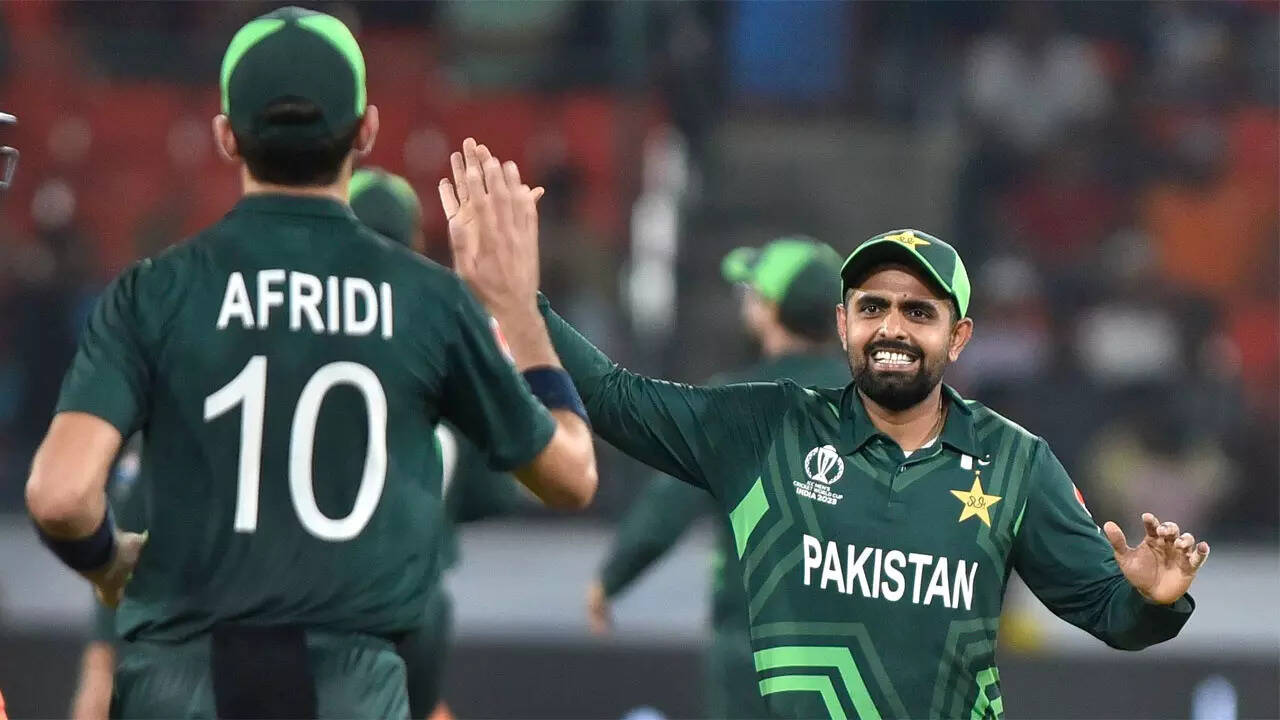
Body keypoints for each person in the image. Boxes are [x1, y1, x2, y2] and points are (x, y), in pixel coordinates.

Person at [440, 143, 1211, 719]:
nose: (892, 328)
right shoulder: (768, 425)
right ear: (843, 325)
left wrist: (1152, 601)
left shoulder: (1016, 461)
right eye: (873, 307)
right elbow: (613, 397)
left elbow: (1110, 614)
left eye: (919, 312)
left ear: (960, 337)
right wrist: (518, 302)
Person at [26, 9, 597, 717]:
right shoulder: (431, 303)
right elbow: (572, 476)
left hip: (181, 685)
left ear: (226, 136)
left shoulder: (153, 293)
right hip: (348, 691)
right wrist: (517, 313)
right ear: (366, 131)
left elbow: (60, 496)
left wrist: (109, 563)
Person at [588, 237, 849, 719]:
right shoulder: (875, 407)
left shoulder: (733, 401)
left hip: (751, 647)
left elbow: (668, 505)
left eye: (751, 293)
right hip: (855, 653)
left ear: (769, 309)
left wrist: (612, 578)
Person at [351, 166, 529, 719]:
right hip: (417, 600)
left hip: (312, 598)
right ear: (416, 239)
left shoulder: (291, 328)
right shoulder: (447, 330)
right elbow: (495, 490)